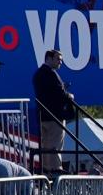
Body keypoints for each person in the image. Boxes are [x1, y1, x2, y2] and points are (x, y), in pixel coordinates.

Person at [32, 49, 76, 178]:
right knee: (55, 144)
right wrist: (69, 96)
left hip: (42, 115)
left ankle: (46, 169)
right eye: (58, 59)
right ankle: (55, 169)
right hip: (55, 116)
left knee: (45, 143)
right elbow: (59, 93)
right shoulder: (51, 74)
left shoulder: (38, 74)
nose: (60, 63)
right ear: (49, 58)